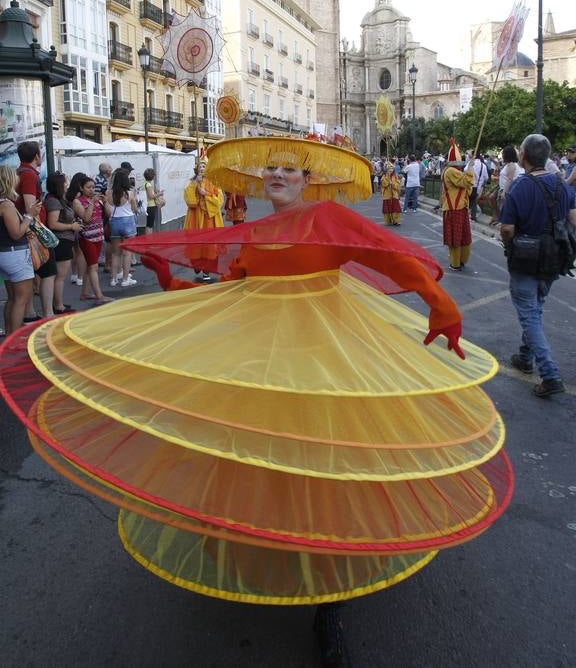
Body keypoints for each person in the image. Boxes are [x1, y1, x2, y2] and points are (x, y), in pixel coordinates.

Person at [1, 135, 513, 668]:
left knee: (323, 473)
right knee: (257, 461)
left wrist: (441, 305)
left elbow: (394, 261)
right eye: (271, 168)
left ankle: (329, 600)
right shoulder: (254, 234)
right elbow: (230, 291)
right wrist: (172, 283)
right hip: (261, 367)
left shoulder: (330, 218)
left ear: (308, 178)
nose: (277, 175)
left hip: (323, 365)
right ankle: (258, 549)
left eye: (289, 169)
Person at [500, 133, 576, 397]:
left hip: (526, 257)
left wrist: (509, 245)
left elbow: (507, 229)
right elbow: (575, 222)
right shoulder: (562, 185)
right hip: (554, 257)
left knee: (529, 313)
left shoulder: (520, 187)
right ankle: (525, 357)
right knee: (536, 308)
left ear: (523, 156)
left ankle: (550, 374)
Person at [15, 140, 57, 318]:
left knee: (30, 274)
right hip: (33, 232)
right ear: (36, 156)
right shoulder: (29, 175)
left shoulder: (19, 172)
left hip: (25, 231)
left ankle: (31, 314)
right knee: (49, 272)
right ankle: (48, 314)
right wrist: (39, 231)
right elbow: (30, 206)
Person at [0, 165, 42, 334]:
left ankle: (9, 335)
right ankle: (14, 338)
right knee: (21, 299)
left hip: (6, 254)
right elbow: (16, 233)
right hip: (15, 254)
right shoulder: (6, 205)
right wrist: (29, 215)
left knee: (12, 298)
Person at [44, 172, 82, 314]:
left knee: (59, 276)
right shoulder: (54, 201)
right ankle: (58, 306)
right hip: (61, 240)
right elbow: (52, 223)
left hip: (64, 239)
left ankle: (57, 304)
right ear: (59, 185)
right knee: (60, 277)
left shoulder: (57, 199)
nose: (67, 184)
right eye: (65, 182)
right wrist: (71, 226)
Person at [72, 175, 112, 304]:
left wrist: (105, 202)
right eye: (88, 187)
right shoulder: (77, 201)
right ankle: (99, 296)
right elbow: (86, 218)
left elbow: (109, 214)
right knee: (94, 266)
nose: (91, 190)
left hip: (98, 236)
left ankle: (84, 293)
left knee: (90, 266)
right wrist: (91, 203)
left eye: (93, 187)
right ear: (81, 188)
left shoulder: (96, 200)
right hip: (87, 237)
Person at [440, 139, 474, 272]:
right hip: (453, 209)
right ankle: (455, 263)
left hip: (461, 208)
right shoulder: (450, 171)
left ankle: (461, 260)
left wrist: (469, 169)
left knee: (464, 237)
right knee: (455, 238)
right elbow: (466, 181)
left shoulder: (455, 171)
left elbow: (467, 188)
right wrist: (470, 168)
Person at [106, 169, 138, 288]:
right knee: (127, 253)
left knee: (116, 254)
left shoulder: (108, 193)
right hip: (128, 222)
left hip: (114, 222)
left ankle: (114, 279)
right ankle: (125, 279)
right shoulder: (129, 193)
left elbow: (107, 209)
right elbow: (134, 209)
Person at [183, 161, 224, 231]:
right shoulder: (193, 182)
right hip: (196, 215)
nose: (202, 169)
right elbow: (189, 199)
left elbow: (219, 200)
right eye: (200, 167)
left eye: (204, 166)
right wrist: (195, 182)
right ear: (197, 170)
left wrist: (205, 194)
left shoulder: (214, 182)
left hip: (209, 216)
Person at [468, 153, 489, 222]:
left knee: (467, 201)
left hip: (469, 185)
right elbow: (486, 178)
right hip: (477, 187)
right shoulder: (483, 166)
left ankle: (466, 215)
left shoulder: (471, 163)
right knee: (474, 202)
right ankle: (473, 217)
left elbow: (465, 171)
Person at [143, 168, 162, 234]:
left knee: (149, 223)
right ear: (152, 176)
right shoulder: (148, 184)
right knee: (150, 224)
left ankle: (148, 238)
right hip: (150, 206)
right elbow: (151, 196)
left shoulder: (145, 183)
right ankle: (149, 238)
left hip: (148, 205)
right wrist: (159, 194)